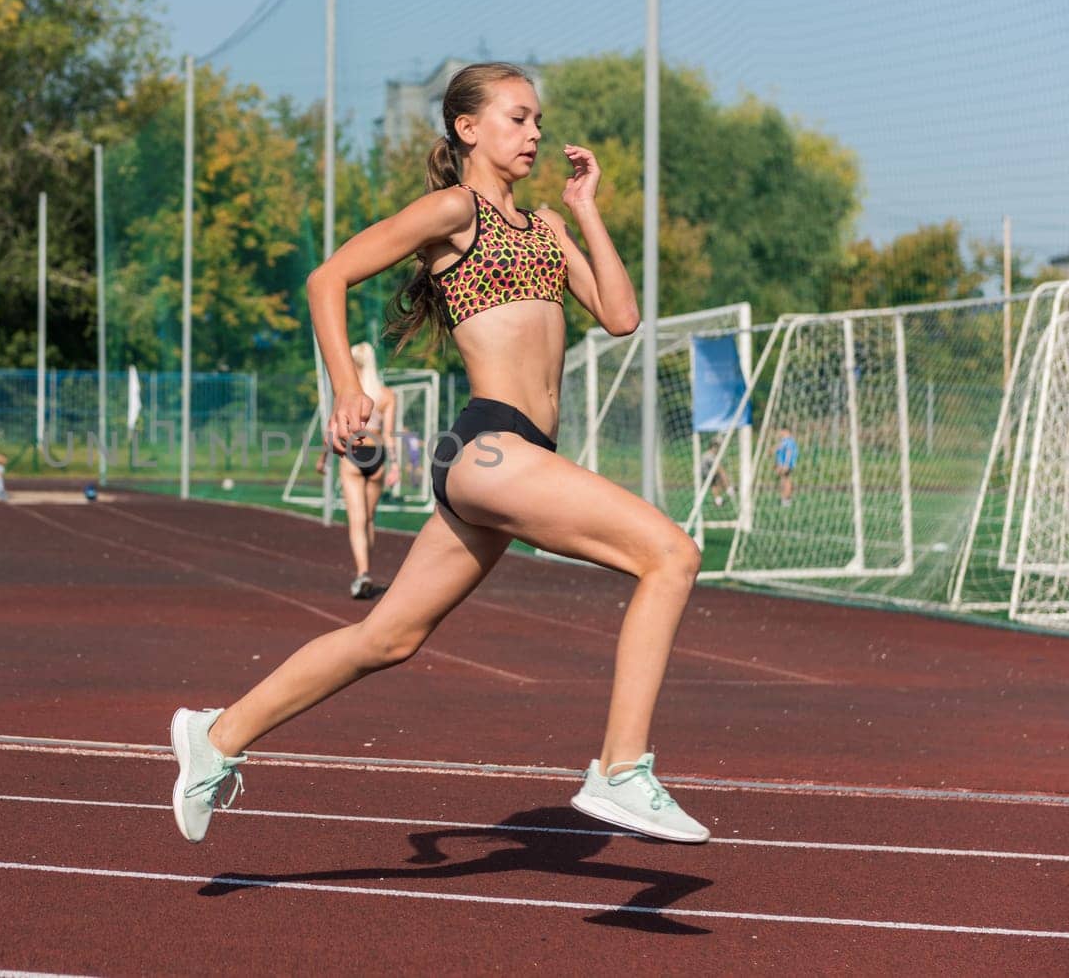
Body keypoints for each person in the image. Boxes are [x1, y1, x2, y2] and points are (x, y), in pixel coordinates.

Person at [168, 62, 710, 846]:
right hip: (490, 447)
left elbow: (621, 316)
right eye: (518, 119)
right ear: (468, 129)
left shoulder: (546, 229)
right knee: (670, 555)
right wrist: (346, 386)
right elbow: (329, 278)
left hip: (507, 457)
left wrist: (584, 209)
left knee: (386, 638)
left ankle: (215, 737)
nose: (534, 135)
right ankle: (621, 770)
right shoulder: (456, 210)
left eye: (537, 123)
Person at [313, 342, 397, 598]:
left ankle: (363, 573)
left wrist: (324, 457)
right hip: (378, 454)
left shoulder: (346, 396)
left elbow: (335, 429)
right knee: (369, 520)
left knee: (357, 520)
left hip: (352, 453)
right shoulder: (385, 395)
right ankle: (365, 571)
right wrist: (395, 466)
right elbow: (389, 435)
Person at [698, 443, 732, 508]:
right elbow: (717, 466)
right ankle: (729, 489)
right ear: (713, 448)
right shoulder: (709, 455)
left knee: (714, 484)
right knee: (721, 472)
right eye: (716, 448)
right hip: (706, 472)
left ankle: (718, 501)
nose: (717, 450)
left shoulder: (707, 454)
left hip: (704, 473)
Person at [774, 428, 798, 507]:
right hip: (782, 464)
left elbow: (789, 452)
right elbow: (779, 449)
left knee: (786, 481)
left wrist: (786, 464)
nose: (779, 433)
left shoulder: (789, 441)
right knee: (784, 480)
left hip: (786, 465)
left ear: (786, 431)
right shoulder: (784, 441)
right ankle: (785, 499)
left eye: (781, 431)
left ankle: (786, 500)